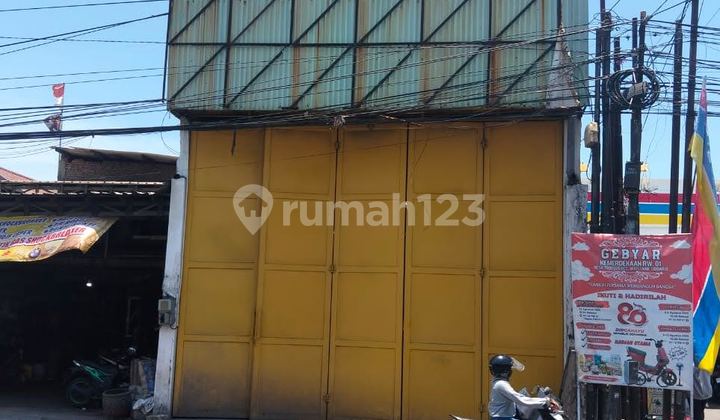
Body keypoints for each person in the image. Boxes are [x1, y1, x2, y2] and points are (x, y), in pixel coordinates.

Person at [489, 354, 550, 420]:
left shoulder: (497, 382)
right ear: (505, 370)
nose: (511, 371)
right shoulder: (501, 384)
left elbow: (512, 397)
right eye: (509, 368)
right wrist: (546, 401)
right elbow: (519, 399)